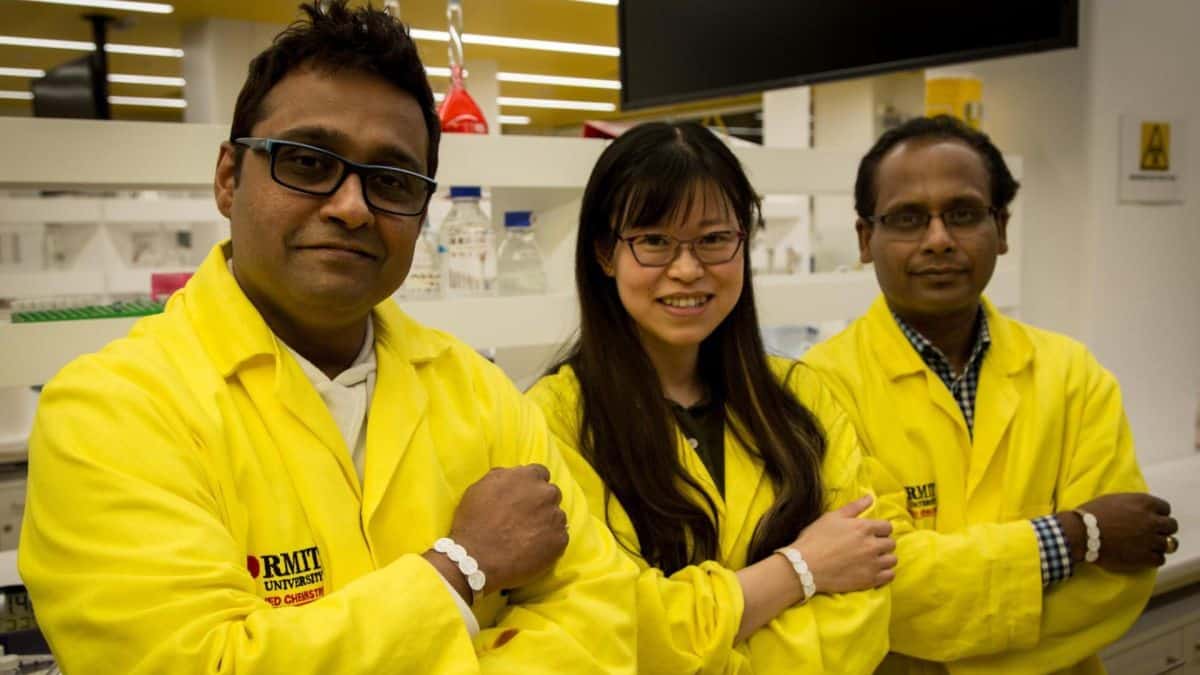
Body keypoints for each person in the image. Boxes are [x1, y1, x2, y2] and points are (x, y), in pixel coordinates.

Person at [17, 3, 637, 673]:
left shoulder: (478, 393)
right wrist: (462, 567)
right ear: (229, 177)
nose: (351, 206)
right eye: (309, 163)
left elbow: (602, 614)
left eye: (392, 180)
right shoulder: (112, 411)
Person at [802, 114, 1179, 674]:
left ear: (1001, 229)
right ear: (866, 238)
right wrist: (1079, 535)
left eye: (963, 214)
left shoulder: (1073, 377)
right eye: (908, 218)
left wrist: (944, 642)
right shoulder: (819, 388)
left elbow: (1120, 582)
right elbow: (879, 595)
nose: (938, 240)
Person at [526, 121, 897, 674]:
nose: (686, 269)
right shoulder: (553, 420)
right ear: (605, 253)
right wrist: (803, 568)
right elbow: (619, 630)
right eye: (653, 240)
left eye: (714, 239)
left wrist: (703, 642)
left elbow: (863, 604)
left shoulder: (803, 400)